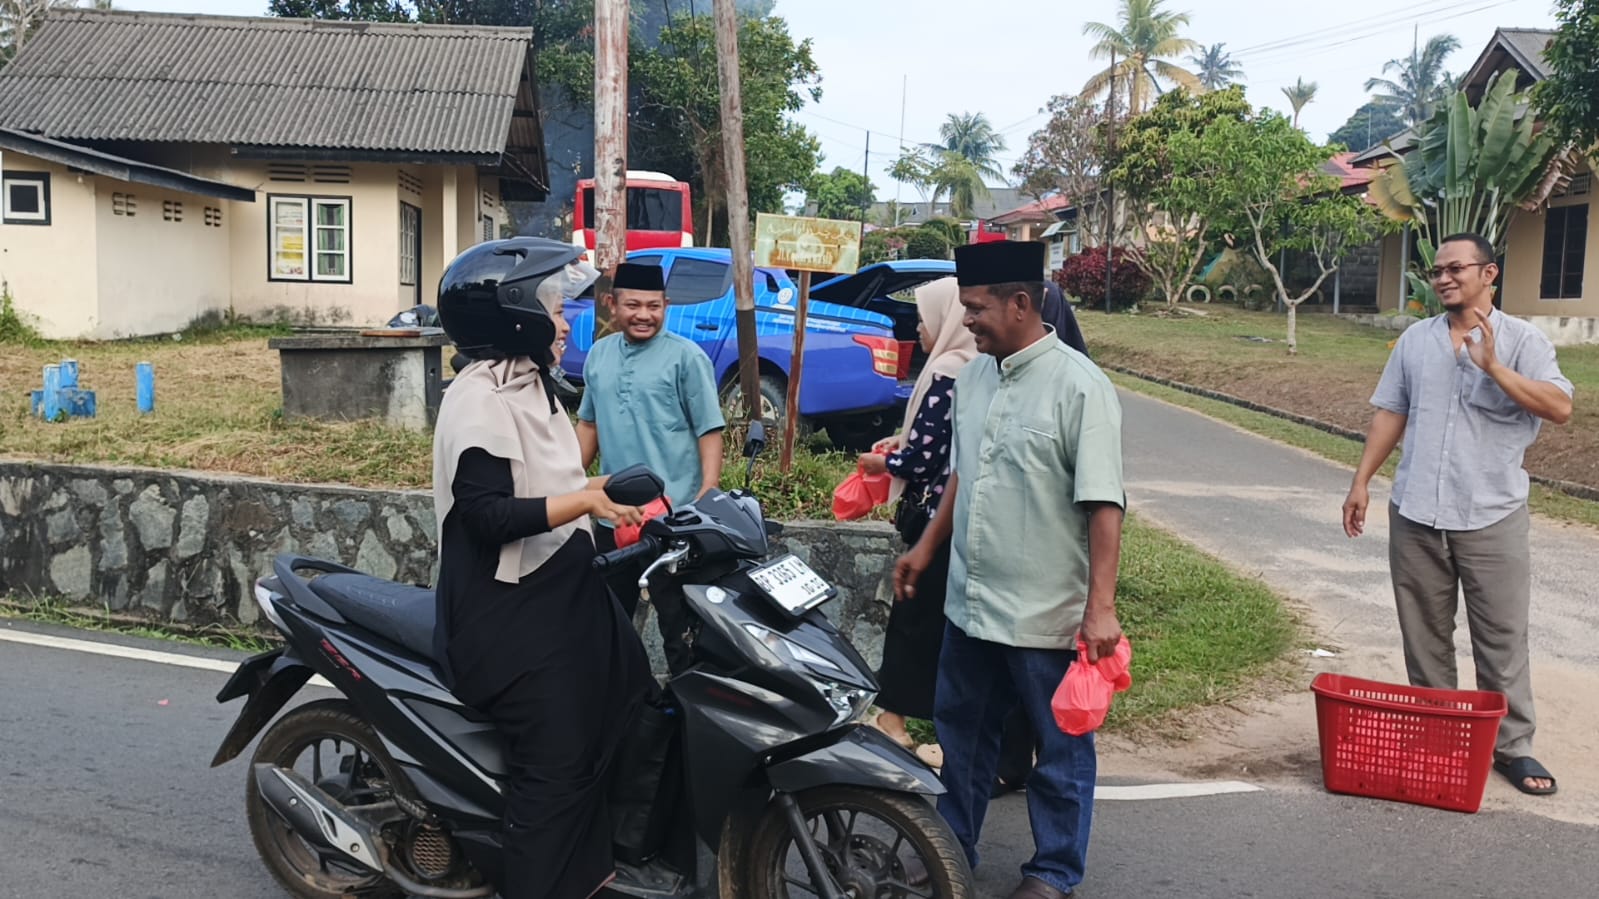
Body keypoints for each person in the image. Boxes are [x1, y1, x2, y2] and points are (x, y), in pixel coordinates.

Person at [896, 240, 1126, 899]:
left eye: (976, 308)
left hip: (1044, 610)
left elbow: (1103, 502)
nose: (966, 320)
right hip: (969, 602)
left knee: (1058, 749)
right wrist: (926, 548)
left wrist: (1100, 606)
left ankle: (1053, 870)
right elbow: (963, 473)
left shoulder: (1080, 387)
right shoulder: (973, 377)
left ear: (1021, 303)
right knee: (960, 736)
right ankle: (951, 845)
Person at [432, 238, 655, 899]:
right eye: (553, 308)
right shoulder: (480, 398)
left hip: (555, 594)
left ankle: (585, 875)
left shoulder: (533, 388)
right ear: (514, 312)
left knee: (627, 688)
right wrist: (585, 496)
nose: (564, 322)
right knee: (554, 764)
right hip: (504, 615)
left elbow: (547, 485)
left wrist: (600, 493)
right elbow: (488, 515)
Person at [1342, 232, 1573, 797]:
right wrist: (1362, 480)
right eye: (1436, 270)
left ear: (1488, 274)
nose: (1442, 278)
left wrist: (1493, 366)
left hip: (1491, 512)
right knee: (1423, 634)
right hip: (1417, 509)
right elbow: (1391, 413)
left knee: (1500, 635)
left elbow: (1561, 407)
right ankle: (1439, 732)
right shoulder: (1414, 342)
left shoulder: (1524, 341)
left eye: (1455, 269)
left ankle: (1512, 747)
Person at [577, 261, 726, 674]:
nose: (644, 315)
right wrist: (569, 484)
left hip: (672, 521)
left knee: (680, 631)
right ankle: (615, 714)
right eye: (633, 305)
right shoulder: (599, 355)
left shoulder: (687, 358)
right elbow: (588, 424)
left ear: (667, 306)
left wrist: (708, 492)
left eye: (654, 306)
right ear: (612, 304)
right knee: (608, 625)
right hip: (613, 519)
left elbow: (709, 430)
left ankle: (687, 718)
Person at [858, 276, 976, 770]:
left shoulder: (948, 371)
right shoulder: (974, 369)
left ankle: (895, 721)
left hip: (934, 522)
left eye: (925, 320)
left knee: (915, 621)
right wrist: (899, 445)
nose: (920, 330)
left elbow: (928, 459)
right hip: (955, 521)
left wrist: (882, 464)